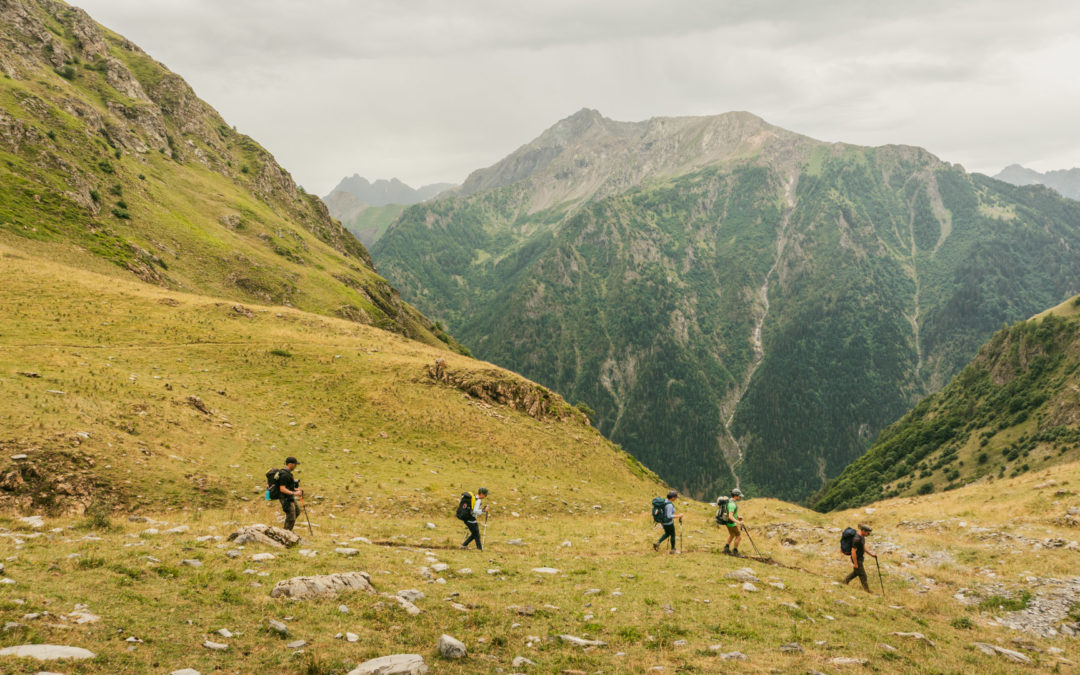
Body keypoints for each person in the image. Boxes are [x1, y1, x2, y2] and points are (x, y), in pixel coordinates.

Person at [843, 524, 877, 592]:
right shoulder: (856, 539)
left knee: (856, 573)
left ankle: (845, 582)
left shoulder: (862, 537)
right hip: (856, 559)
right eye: (867, 532)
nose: (869, 534)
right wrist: (855, 563)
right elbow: (853, 552)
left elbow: (863, 547)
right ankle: (867, 590)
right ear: (863, 531)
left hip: (860, 558)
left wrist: (871, 554)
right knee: (863, 575)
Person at [274, 456, 302, 531]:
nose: (295, 466)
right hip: (285, 498)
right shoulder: (284, 474)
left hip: (289, 496)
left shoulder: (288, 473)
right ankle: (286, 533)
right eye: (295, 464)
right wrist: (295, 493)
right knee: (291, 517)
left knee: (297, 511)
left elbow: (288, 487)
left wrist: (296, 489)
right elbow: (282, 489)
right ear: (290, 464)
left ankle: (287, 531)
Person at [722, 488, 744, 556]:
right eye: (739, 496)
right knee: (739, 536)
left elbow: (731, 513)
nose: (740, 497)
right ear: (736, 496)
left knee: (732, 535)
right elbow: (730, 516)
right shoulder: (732, 504)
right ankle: (735, 551)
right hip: (731, 523)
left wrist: (738, 517)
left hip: (728, 522)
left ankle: (726, 548)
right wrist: (738, 522)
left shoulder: (730, 501)